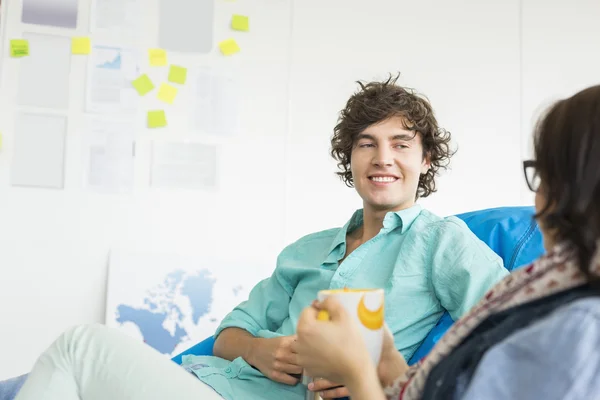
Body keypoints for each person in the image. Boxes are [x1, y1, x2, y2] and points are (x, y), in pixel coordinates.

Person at [7, 74, 507, 400]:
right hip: (206, 382)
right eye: (366, 144)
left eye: (401, 145)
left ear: (425, 160)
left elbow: (514, 323)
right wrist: (256, 350)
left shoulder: (442, 240)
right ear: (348, 158)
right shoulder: (307, 250)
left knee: (79, 346)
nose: (383, 158)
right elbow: (228, 335)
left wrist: (390, 377)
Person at [293, 84, 600, 400]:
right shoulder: (543, 288)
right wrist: (386, 361)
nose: (382, 159)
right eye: (367, 144)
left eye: (543, 176)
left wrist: (358, 373)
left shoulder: (578, 327)